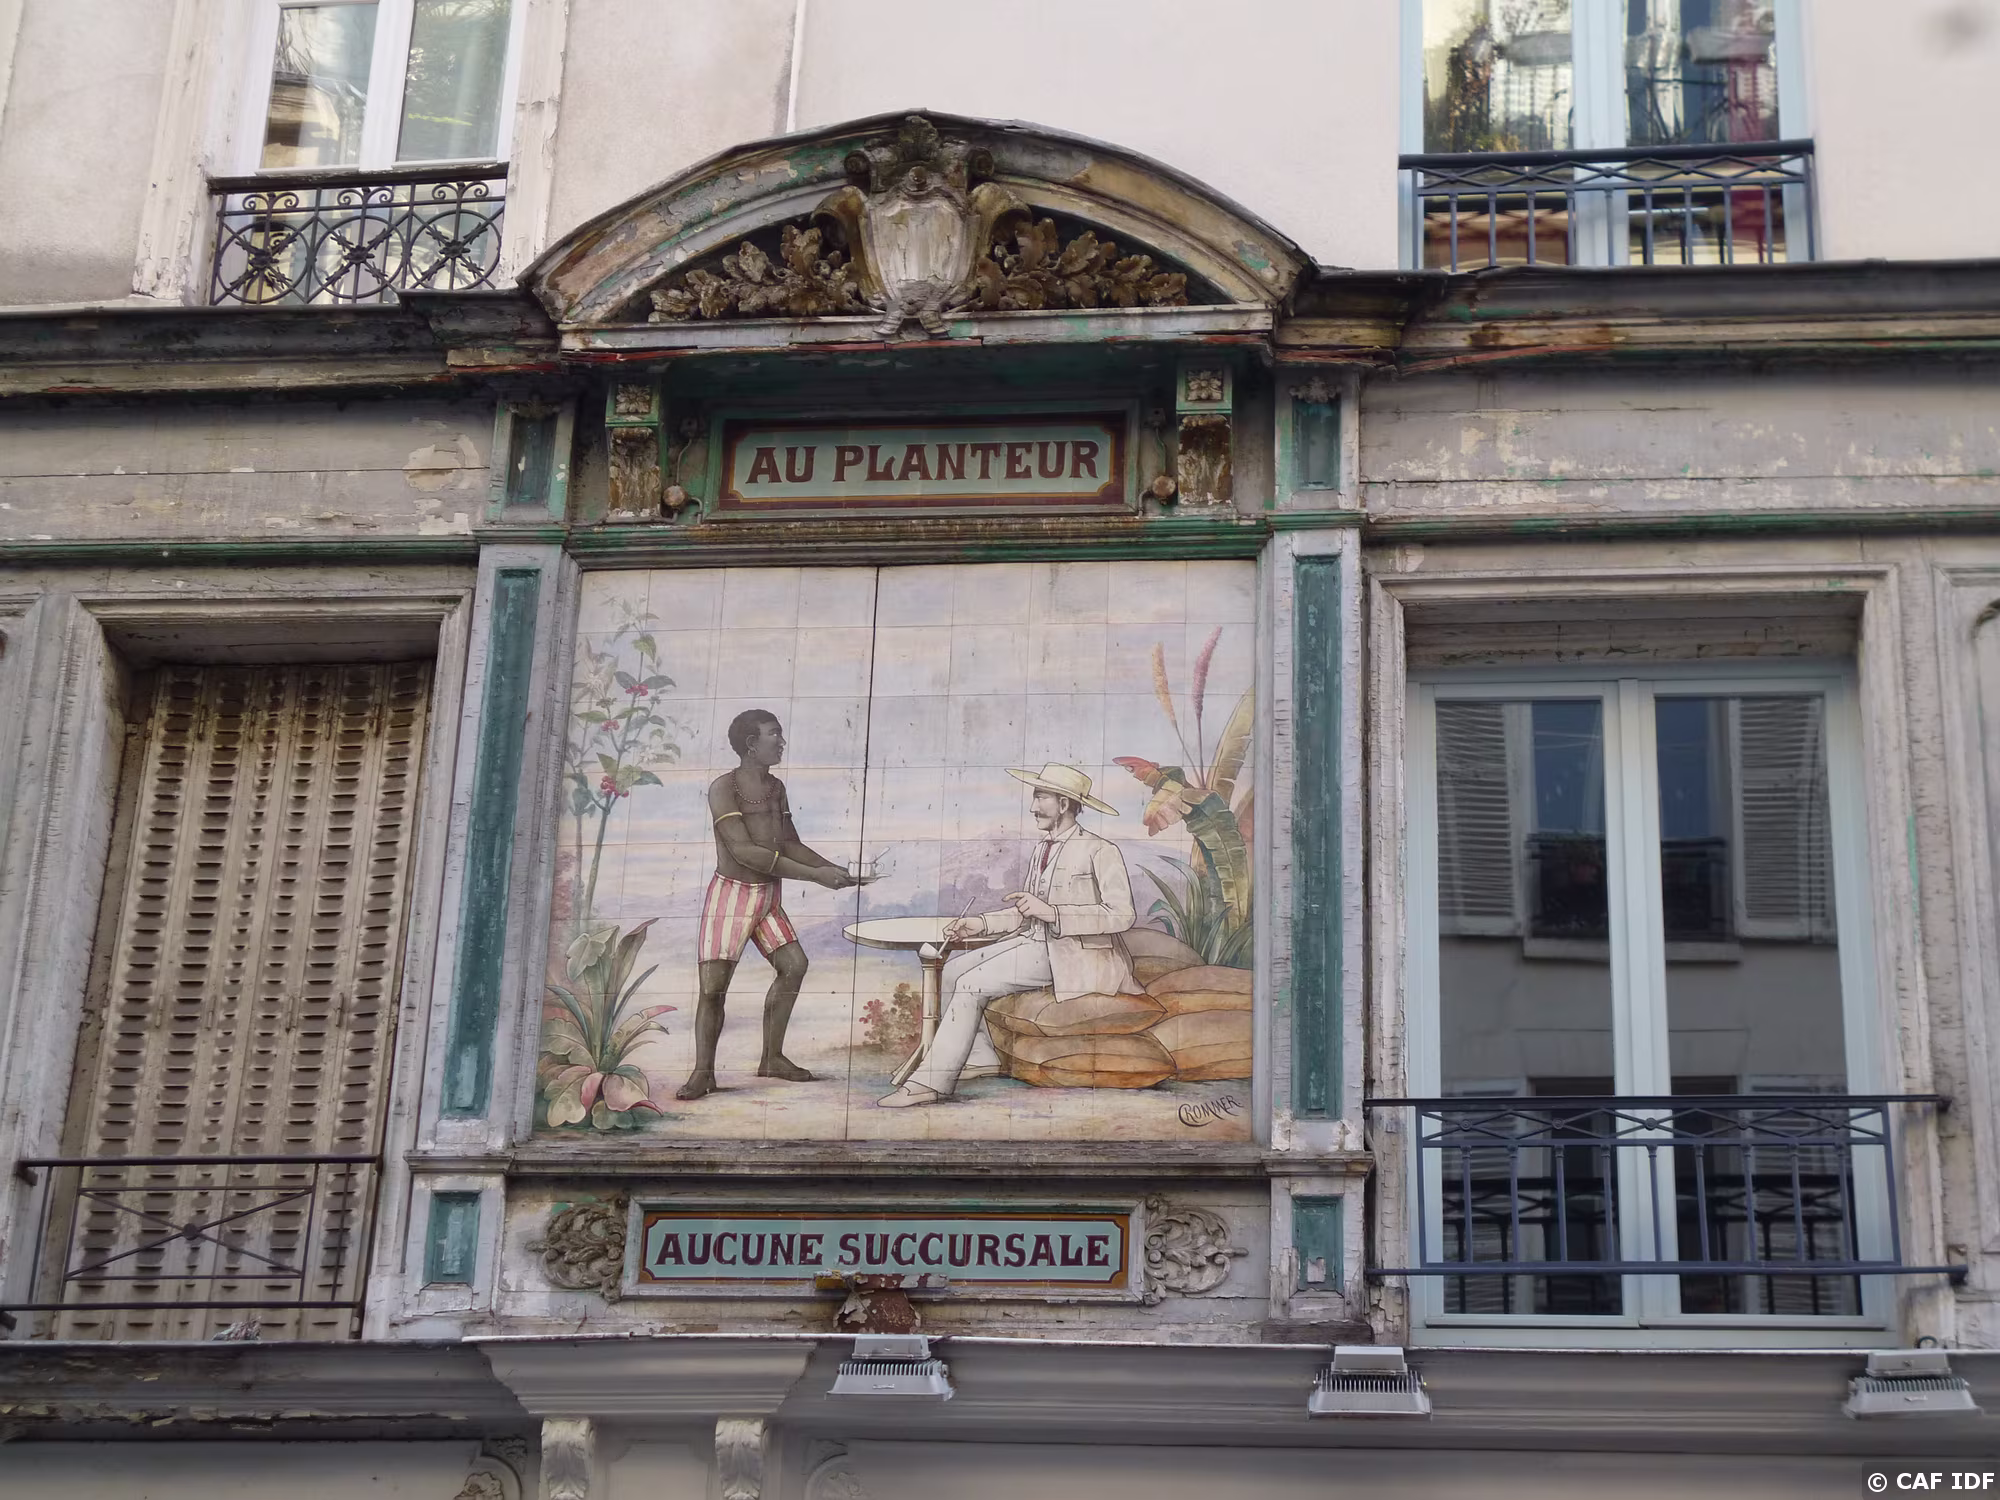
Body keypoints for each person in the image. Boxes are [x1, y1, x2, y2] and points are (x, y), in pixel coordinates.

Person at [877, 763, 1139, 1108]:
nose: (1033, 807)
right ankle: (982, 1057)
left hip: (1074, 954)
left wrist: (1053, 913)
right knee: (952, 971)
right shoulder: (1043, 849)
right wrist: (980, 924)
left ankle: (930, 1084)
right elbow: (1026, 911)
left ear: (1064, 804)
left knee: (971, 984)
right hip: (1035, 943)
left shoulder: (1100, 850)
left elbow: (1122, 914)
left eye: (1041, 797)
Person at [678, 708, 865, 1101]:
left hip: (767, 896)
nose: (781, 742)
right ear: (751, 744)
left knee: (794, 965)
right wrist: (814, 875)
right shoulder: (723, 788)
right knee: (713, 988)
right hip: (732, 896)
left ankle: (772, 1058)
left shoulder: (776, 787)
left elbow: (789, 843)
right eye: (773, 735)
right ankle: (702, 1072)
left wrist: (834, 870)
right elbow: (745, 852)